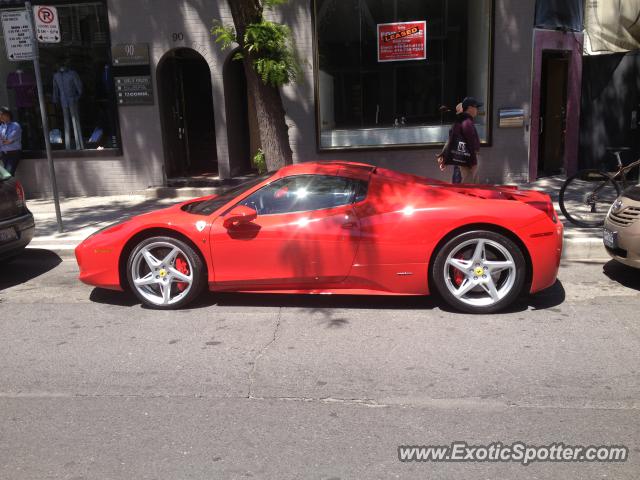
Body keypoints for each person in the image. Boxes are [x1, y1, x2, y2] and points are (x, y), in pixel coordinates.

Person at [454, 96, 482, 184]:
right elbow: (468, 142)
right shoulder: (467, 122)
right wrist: (472, 161)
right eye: (476, 107)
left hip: (467, 158)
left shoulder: (466, 121)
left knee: (471, 183)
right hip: (469, 158)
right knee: (469, 185)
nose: (477, 110)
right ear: (470, 108)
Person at [0, 106, 22, 176]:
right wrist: (4, 141)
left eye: (1, 114)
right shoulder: (1, 127)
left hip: (14, 153)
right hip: (4, 154)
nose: (0, 117)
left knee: (7, 173)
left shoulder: (15, 126)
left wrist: (4, 140)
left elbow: (9, 140)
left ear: (8, 115)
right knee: (4, 174)